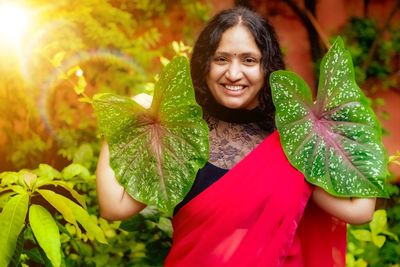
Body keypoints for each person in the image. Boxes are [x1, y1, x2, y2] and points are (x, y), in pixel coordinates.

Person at [96, 6, 376, 267]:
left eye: (249, 60)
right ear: (205, 65)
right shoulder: (180, 133)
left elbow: (359, 210)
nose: (233, 73)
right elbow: (114, 206)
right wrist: (123, 123)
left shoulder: (294, 140)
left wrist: (347, 127)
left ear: (267, 68)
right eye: (221, 59)